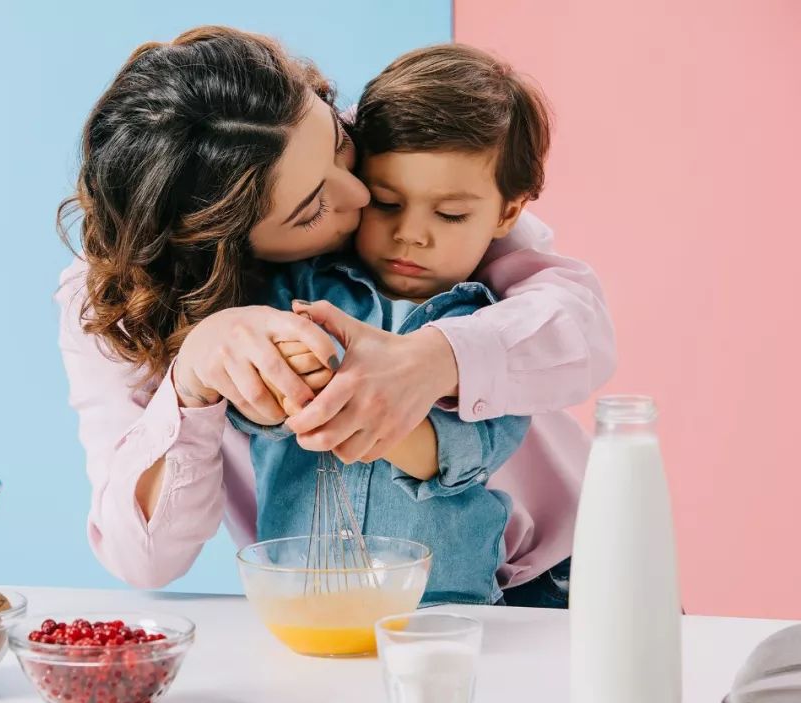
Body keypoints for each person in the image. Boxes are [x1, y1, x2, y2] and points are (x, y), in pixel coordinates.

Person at [55, 27, 614, 606]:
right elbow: (143, 559)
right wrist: (193, 379)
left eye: (337, 145)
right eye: (312, 208)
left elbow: (581, 328)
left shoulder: (402, 159)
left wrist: (431, 359)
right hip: (329, 598)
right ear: (224, 249)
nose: (363, 196)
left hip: (551, 576)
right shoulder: (118, 304)